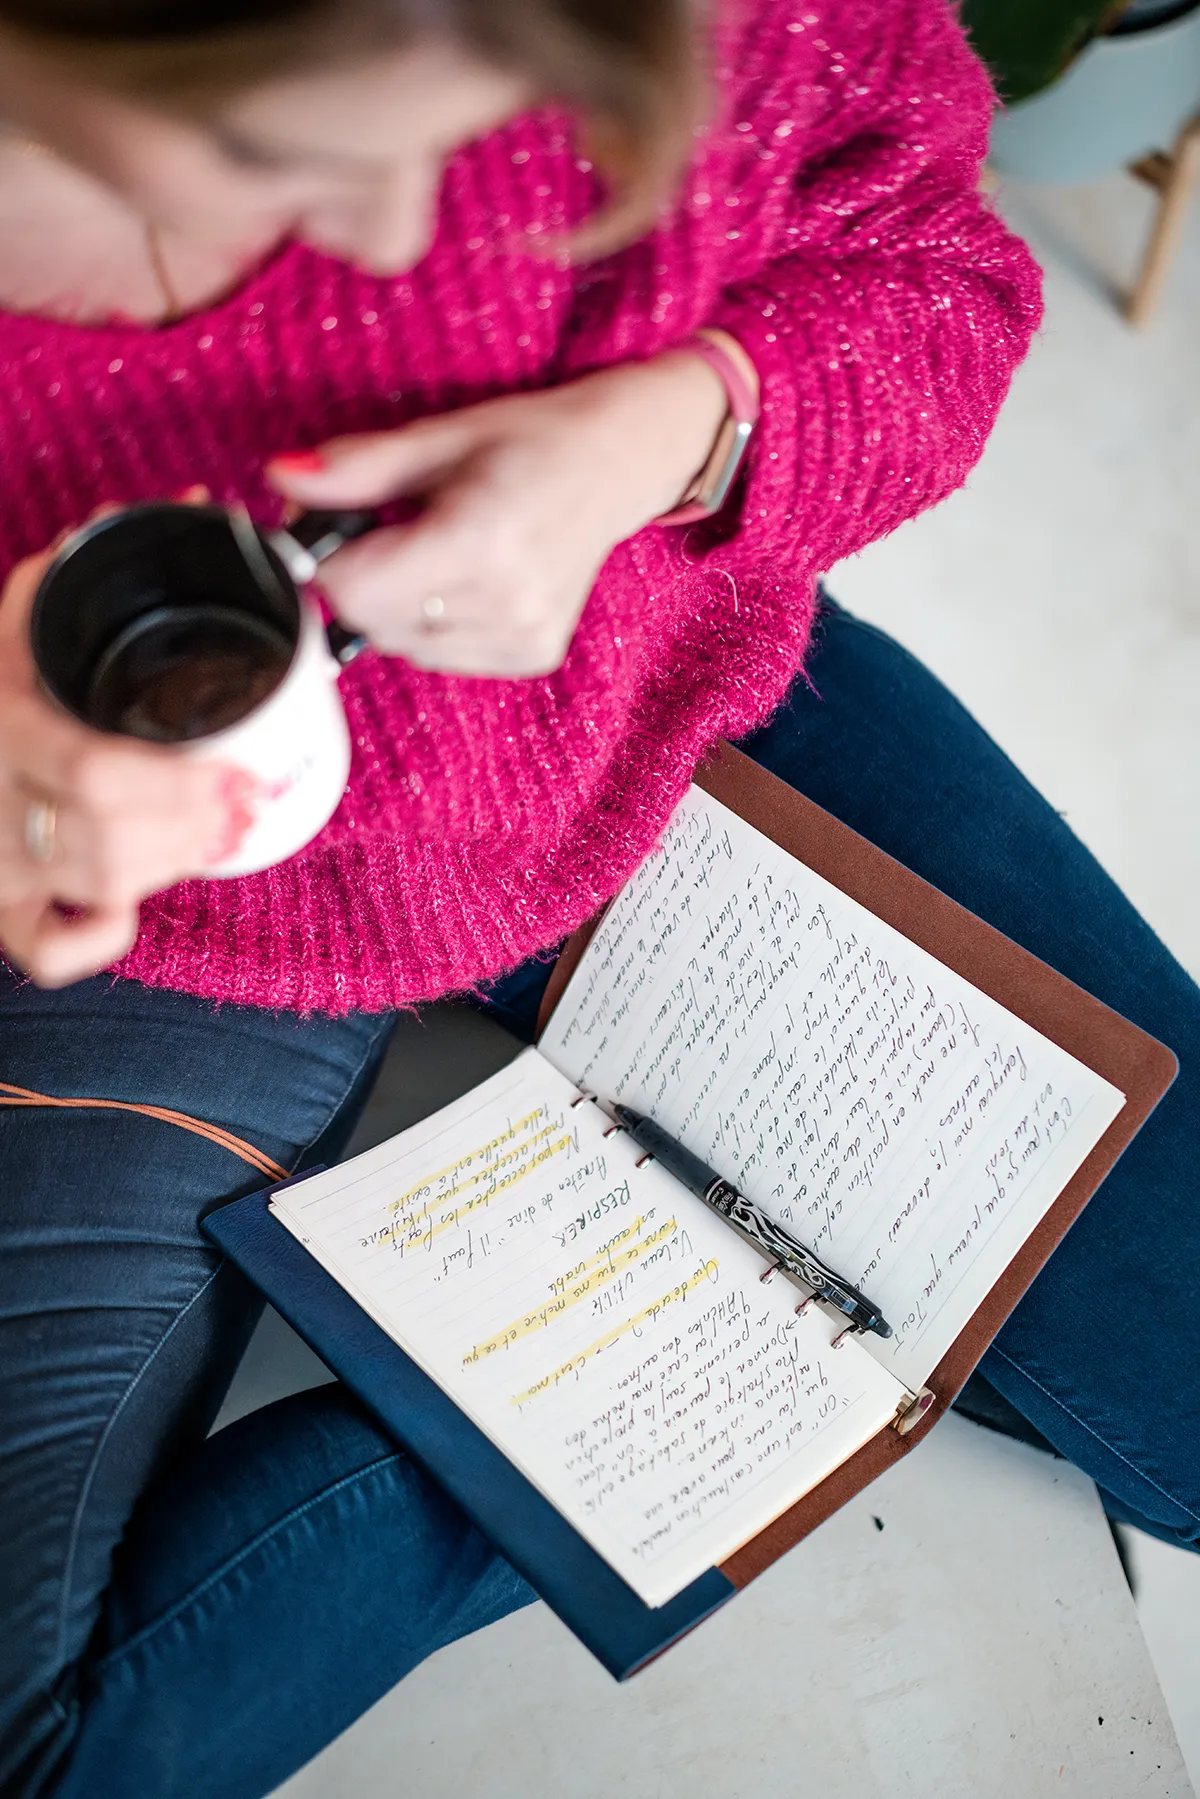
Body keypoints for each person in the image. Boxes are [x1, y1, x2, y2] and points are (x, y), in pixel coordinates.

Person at [0, 0, 1195, 1792]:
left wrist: (676, 428)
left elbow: (941, 279)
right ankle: (673, 1373)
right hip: (177, 946)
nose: (409, 239)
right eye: (283, 159)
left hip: (657, 717)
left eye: (489, 134)